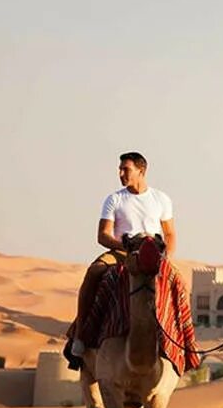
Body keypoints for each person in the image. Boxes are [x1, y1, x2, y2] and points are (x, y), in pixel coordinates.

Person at [70, 152, 176, 357]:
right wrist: (126, 247)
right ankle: (80, 334)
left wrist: (166, 256)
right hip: (122, 251)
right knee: (94, 273)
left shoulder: (161, 199)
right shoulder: (115, 199)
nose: (120, 173)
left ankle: (184, 343)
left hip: (153, 253)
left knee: (179, 283)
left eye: (125, 169)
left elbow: (170, 233)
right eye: (120, 169)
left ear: (141, 171)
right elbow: (102, 235)